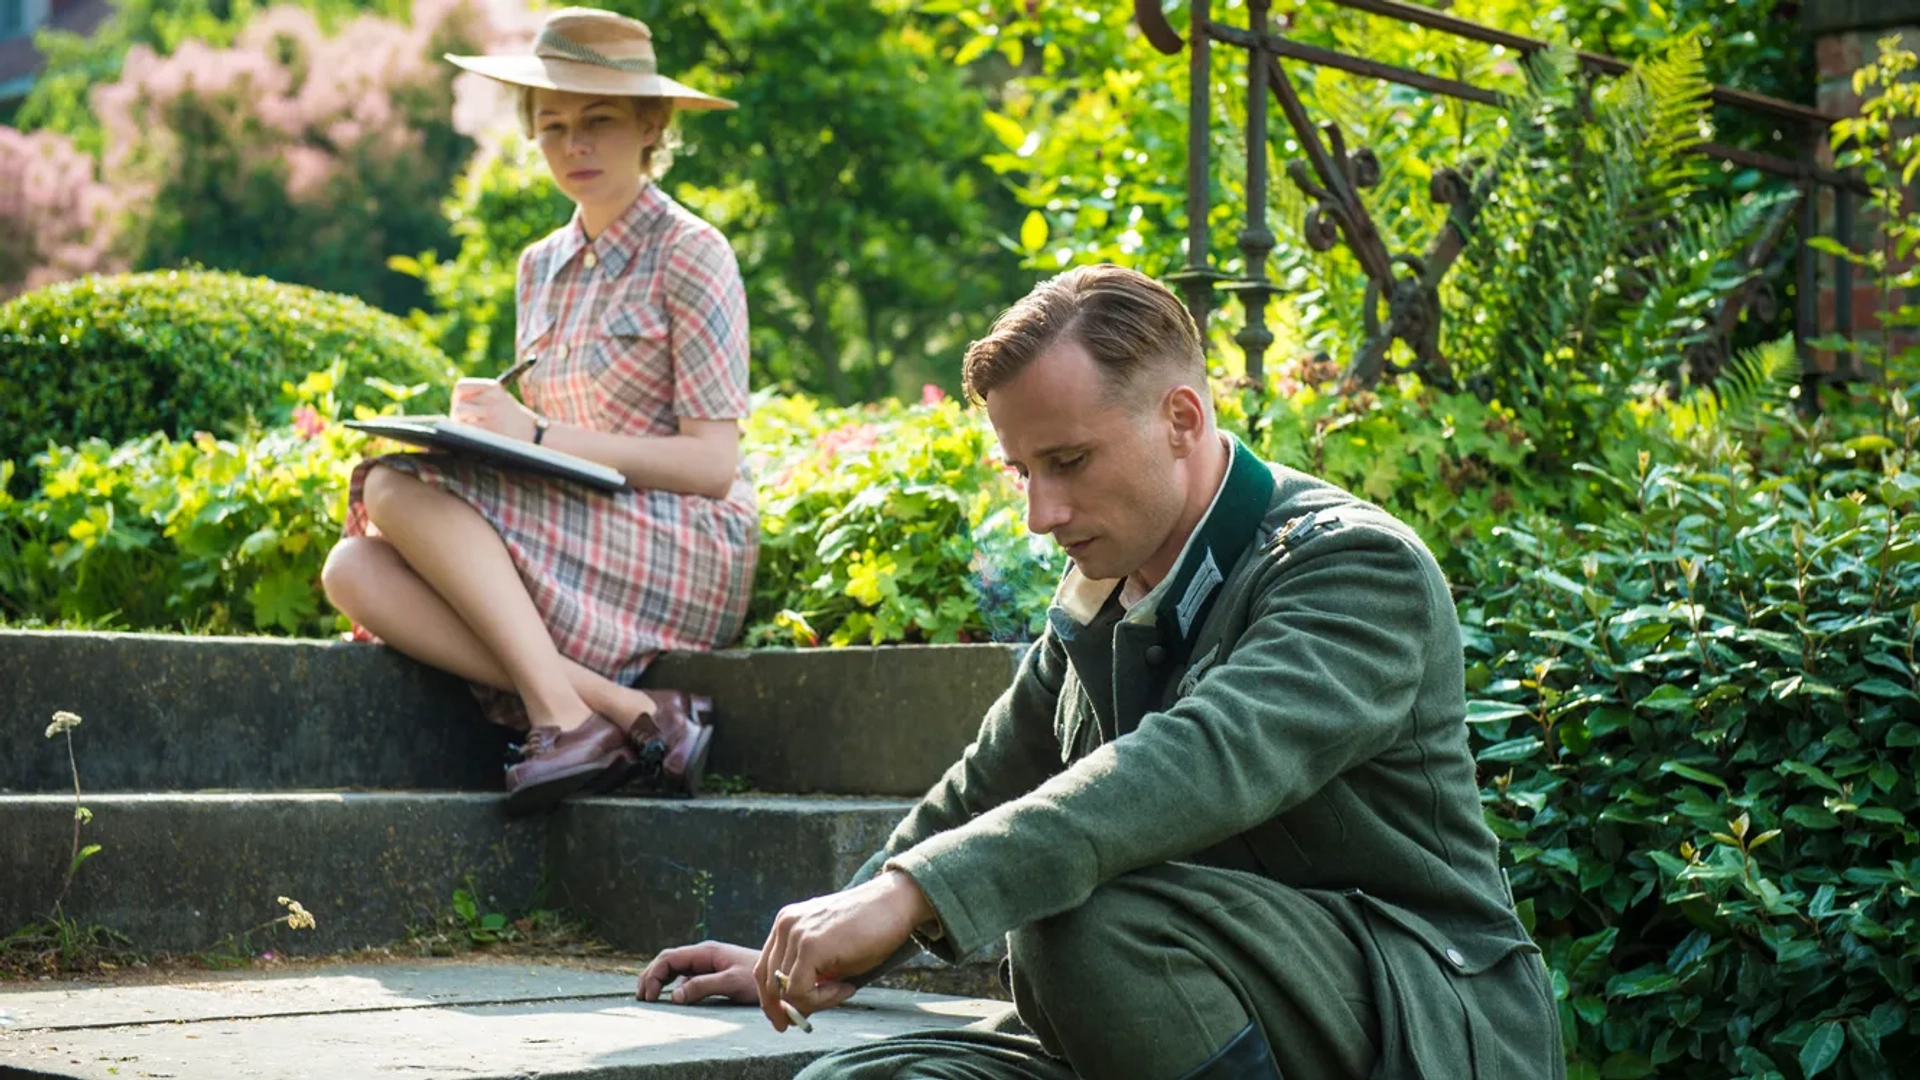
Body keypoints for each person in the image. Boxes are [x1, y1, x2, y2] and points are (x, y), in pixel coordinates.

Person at [635, 265, 1563, 1078]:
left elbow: (1201, 760)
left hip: (1416, 1014)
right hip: (1170, 1009)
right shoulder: (1111, 585)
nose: (1042, 512)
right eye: (1023, 471)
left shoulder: (1353, 567)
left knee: (1077, 922)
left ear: (1181, 418)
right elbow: (985, 787)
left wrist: (912, 895)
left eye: (1069, 462)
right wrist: (820, 939)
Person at [320, 7, 755, 813]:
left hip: (687, 537)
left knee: (386, 488)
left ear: (652, 124)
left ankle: (561, 718)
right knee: (350, 567)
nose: (573, 145)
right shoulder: (539, 269)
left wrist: (539, 431)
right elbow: (551, 453)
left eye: (598, 121)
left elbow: (713, 464)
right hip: (583, 525)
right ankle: (624, 712)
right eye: (551, 126)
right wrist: (491, 431)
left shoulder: (692, 252)